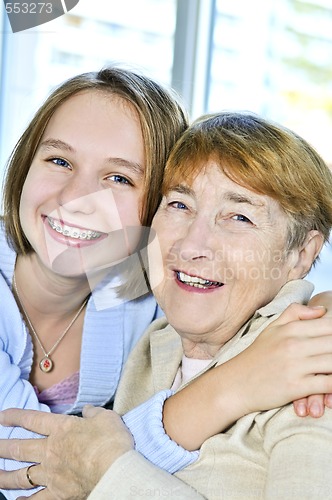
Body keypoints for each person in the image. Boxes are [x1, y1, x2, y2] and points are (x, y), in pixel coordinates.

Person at [1, 111, 332, 499]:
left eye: (239, 217)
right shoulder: (157, 337)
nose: (192, 245)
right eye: (179, 205)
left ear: (302, 253)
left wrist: (107, 470)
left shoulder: (311, 383)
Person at [0, 65, 188, 499]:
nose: (74, 200)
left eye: (119, 178)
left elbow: (280, 261)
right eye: (59, 160)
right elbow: (37, 469)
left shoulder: (145, 292)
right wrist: (239, 388)